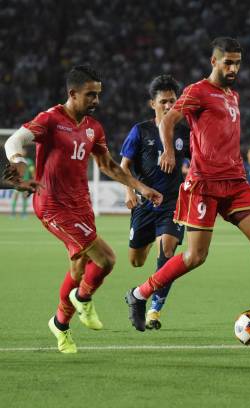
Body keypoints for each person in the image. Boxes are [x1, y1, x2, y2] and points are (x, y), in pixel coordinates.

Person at [124, 37, 250, 338]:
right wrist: (169, 151)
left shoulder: (232, 95)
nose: (234, 67)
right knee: (195, 257)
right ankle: (140, 294)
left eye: (237, 62)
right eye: (228, 62)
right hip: (204, 183)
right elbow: (167, 121)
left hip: (235, 181)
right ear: (214, 62)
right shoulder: (197, 91)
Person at [4, 65, 162, 353]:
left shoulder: (93, 128)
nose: (96, 101)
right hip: (52, 205)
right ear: (72, 94)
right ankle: (84, 299)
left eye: (98, 94)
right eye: (90, 95)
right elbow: (15, 140)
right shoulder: (50, 120)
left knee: (78, 268)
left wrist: (141, 187)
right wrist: (18, 160)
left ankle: (60, 325)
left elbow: (108, 166)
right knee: (107, 259)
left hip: (81, 205)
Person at [120, 75, 190, 330]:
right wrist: (130, 192)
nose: (169, 106)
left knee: (168, 253)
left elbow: (196, 160)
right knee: (136, 261)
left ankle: (154, 310)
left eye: (173, 101)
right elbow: (124, 166)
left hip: (172, 204)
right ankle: (149, 239)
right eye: (164, 101)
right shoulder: (140, 130)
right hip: (144, 205)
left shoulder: (184, 131)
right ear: (153, 104)